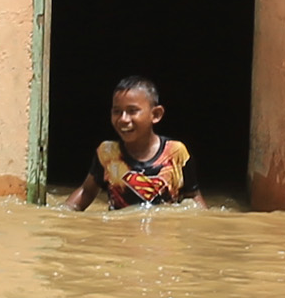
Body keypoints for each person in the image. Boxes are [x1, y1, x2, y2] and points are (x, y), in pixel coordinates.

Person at [67, 77, 196, 210]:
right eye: (117, 111)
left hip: (162, 230)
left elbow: (192, 198)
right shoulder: (108, 153)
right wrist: (61, 215)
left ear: (156, 114)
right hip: (119, 229)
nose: (123, 119)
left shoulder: (175, 152)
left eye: (132, 111)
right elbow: (86, 192)